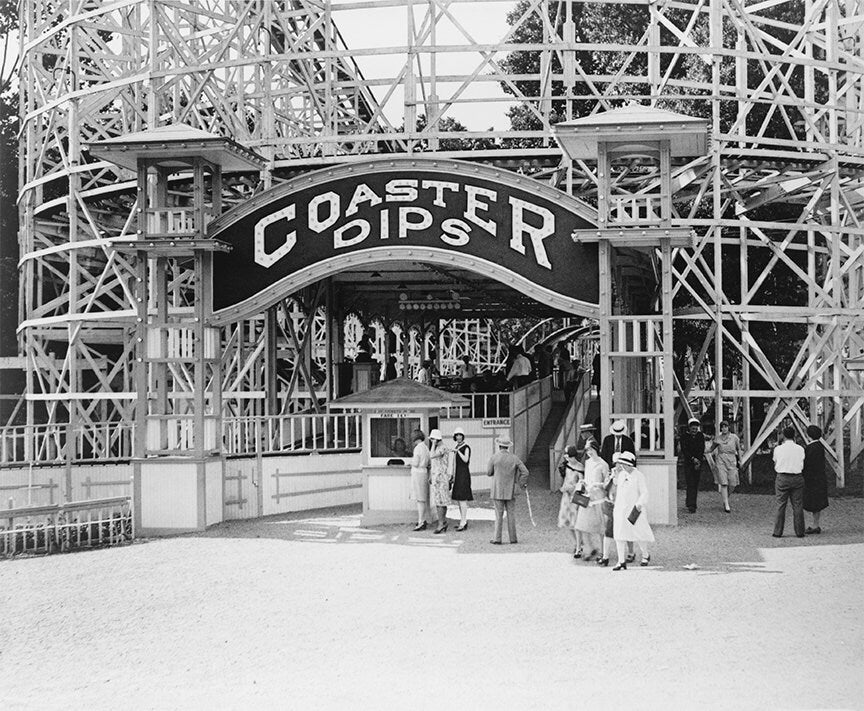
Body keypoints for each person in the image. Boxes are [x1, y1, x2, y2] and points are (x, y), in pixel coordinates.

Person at [611, 451, 654, 570]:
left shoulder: (639, 475)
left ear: (630, 464)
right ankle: (621, 561)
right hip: (621, 508)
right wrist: (614, 475)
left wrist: (640, 504)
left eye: (624, 464)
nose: (622, 466)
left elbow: (644, 492)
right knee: (619, 534)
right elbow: (616, 486)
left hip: (634, 509)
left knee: (639, 533)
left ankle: (645, 555)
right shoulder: (621, 475)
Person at [486, 435, 529, 544]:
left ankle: (497, 538)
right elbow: (525, 472)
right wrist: (521, 483)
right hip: (511, 490)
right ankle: (513, 538)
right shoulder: (514, 458)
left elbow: (489, 472)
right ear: (508, 446)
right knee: (511, 514)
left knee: (498, 515)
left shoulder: (494, 457)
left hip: (497, 489)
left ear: (499, 446)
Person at [575, 438, 608, 561]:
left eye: (590, 450)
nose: (589, 452)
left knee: (600, 528)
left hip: (598, 498)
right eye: (587, 450)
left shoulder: (603, 464)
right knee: (582, 525)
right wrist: (583, 482)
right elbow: (587, 477)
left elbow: (607, 483)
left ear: (595, 449)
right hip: (587, 497)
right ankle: (589, 549)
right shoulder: (587, 463)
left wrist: (598, 485)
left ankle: (603, 552)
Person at [772, 426, 806, 538]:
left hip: (782, 477)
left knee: (780, 505)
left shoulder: (778, 449)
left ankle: (778, 531)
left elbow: (775, 461)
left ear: (784, 436)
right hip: (797, 477)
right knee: (797, 505)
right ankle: (800, 531)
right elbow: (802, 461)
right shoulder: (800, 449)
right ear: (794, 435)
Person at [709, 420, 741, 513]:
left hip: (732, 460)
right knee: (723, 483)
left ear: (728, 427)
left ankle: (725, 497)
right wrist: (702, 450)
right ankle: (726, 504)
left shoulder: (734, 437)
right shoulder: (718, 438)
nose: (724, 428)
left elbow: (738, 449)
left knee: (733, 483)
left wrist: (740, 459)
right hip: (721, 460)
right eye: (722, 427)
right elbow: (711, 449)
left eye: (725, 426)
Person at [557, 447, 584, 558]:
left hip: (575, 497)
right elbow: (565, 479)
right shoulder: (566, 466)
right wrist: (563, 487)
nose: (566, 458)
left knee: (576, 523)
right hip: (566, 496)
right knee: (567, 522)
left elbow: (581, 483)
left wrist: (573, 488)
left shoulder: (579, 467)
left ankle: (579, 547)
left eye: (568, 456)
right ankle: (577, 543)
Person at [802, 424, 828, 534]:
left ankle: (814, 525)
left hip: (811, 479)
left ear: (809, 435)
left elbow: (807, 464)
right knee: (817, 503)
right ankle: (816, 524)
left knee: (812, 502)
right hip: (820, 477)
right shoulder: (820, 446)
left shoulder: (810, 448)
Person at [679, 417, 706, 513]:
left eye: (696, 429)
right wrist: (692, 459)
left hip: (698, 462)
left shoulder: (700, 436)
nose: (694, 431)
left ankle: (692, 502)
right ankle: (691, 504)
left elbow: (701, 448)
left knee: (695, 483)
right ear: (689, 428)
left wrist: (698, 460)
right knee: (690, 483)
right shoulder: (684, 437)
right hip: (689, 463)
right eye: (693, 429)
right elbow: (684, 450)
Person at [450, 427, 473, 531]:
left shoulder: (466, 447)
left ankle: (463, 521)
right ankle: (462, 520)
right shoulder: (457, 447)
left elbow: (465, 459)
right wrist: (452, 475)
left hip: (463, 474)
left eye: (460, 435)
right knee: (459, 499)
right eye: (457, 435)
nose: (458, 437)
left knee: (463, 499)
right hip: (458, 474)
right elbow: (454, 463)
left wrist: (457, 451)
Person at [428, 429, 451, 534]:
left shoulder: (442, 448)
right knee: (439, 501)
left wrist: (433, 445)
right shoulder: (440, 447)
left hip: (441, 478)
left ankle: (441, 523)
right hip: (437, 477)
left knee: (441, 502)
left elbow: (431, 455)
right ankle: (442, 522)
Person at [410, 429, 431, 531]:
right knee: (422, 498)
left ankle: (421, 521)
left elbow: (415, 462)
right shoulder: (426, 447)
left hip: (418, 473)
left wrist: (410, 462)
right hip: (424, 472)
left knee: (420, 499)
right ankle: (422, 520)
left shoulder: (417, 448)